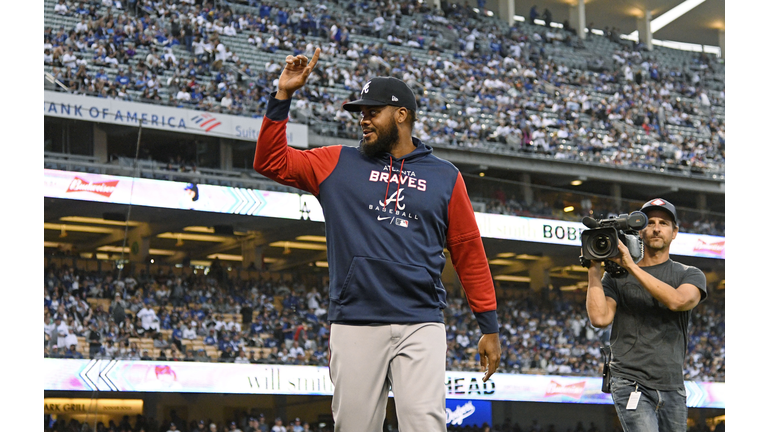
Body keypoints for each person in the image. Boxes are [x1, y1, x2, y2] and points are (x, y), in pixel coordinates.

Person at [253, 48, 501, 431]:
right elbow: (270, 162)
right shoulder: (336, 162)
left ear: (401, 115)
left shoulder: (445, 176)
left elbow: (469, 252)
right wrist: (282, 95)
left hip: (420, 320)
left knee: (425, 424)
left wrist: (489, 325)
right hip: (355, 320)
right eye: (361, 113)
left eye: (372, 111)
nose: (363, 120)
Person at [585, 198, 707, 432]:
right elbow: (599, 319)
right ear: (640, 231)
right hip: (630, 381)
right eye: (650, 222)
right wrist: (593, 268)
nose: (656, 228)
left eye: (663, 223)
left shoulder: (689, 274)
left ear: (674, 233)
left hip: (672, 384)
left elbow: (678, 301)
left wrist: (632, 266)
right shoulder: (615, 276)